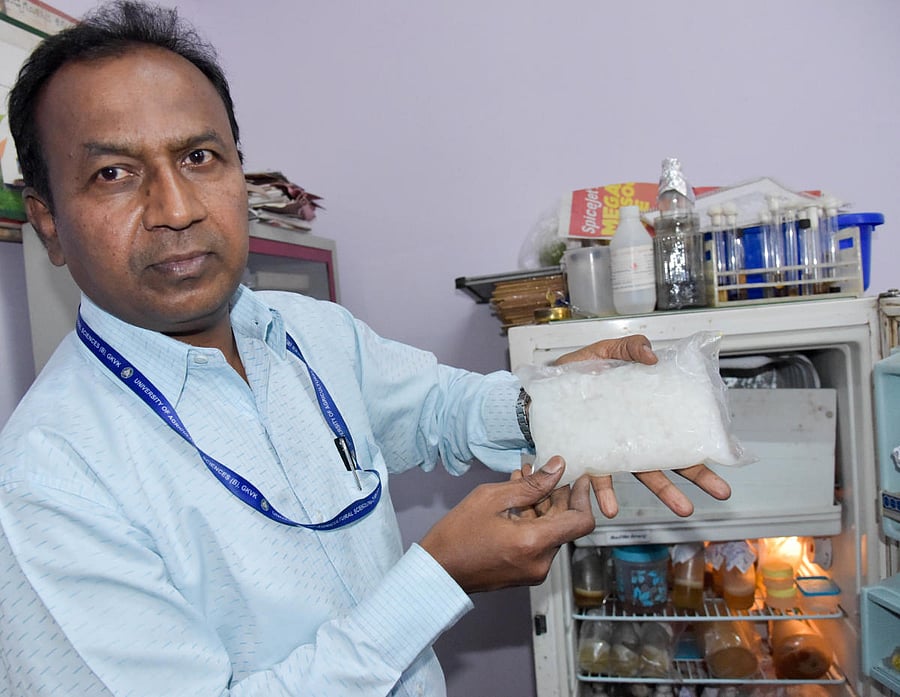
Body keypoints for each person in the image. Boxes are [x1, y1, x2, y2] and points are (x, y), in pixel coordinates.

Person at [0, 3, 730, 696]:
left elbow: (440, 409)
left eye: (199, 156)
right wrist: (438, 578)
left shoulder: (308, 332)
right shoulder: (48, 481)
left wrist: (576, 405)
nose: (178, 208)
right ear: (50, 224)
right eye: (113, 174)